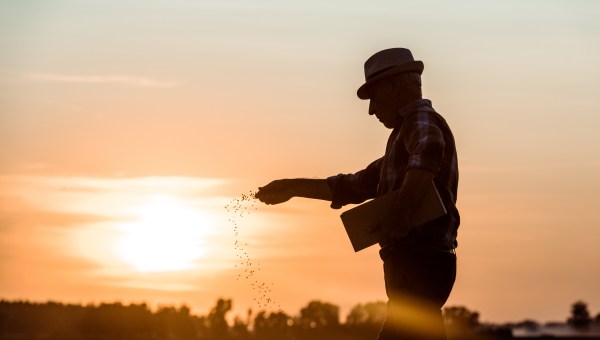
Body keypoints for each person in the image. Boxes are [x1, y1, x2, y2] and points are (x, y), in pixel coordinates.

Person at [255, 47, 459, 340]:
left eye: (374, 96)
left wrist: (401, 216)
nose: (371, 109)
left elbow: (429, 151)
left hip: (420, 261)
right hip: (414, 263)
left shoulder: (420, 120)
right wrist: (294, 187)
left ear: (395, 86)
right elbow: (354, 185)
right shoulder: (399, 142)